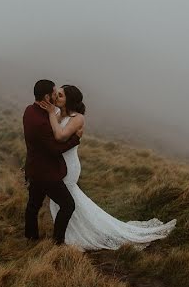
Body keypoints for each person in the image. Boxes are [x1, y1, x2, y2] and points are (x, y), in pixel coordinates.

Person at [38, 84, 176, 250]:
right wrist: (53, 115)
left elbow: (60, 136)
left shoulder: (78, 118)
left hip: (68, 166)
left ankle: (70, 235)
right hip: (58, 164)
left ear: (70, 100)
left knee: (66, 200)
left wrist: (52, 114)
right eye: (56, 94)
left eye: (60, 95)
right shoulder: (60, 114)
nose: (56, 97)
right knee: (65, 201)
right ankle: (67, 233)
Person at [22, 79, 82, 244]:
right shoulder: (42, 121)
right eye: (55, 94)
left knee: (33, 205)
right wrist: (76, 139)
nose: (56, 97)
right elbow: (55, 149)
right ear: (47, 97)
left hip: (34, 167)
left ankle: (31, 237)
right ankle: (58, 241)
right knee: (68, 205)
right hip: (46, 172)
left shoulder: (29, 110)